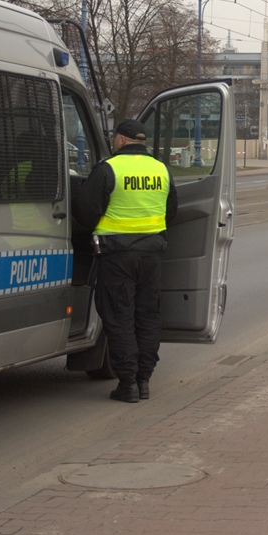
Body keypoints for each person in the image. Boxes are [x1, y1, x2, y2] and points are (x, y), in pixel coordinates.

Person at [74, 119, 178, 403]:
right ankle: (144, 380)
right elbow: (171, 212)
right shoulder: (161, 169)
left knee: (119, 318)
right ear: (141, 141)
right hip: (153, 255)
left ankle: (128, 383)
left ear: (120, 140)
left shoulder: (108, 169)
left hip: (116, 255)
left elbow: (85, 214)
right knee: (147, 317)